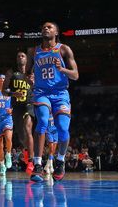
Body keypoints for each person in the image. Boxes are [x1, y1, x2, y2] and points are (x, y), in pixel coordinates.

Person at [28, 21, 79, 182]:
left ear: (56, 32)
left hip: (60, 93)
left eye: (49, 27)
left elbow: (75, 75)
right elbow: (27, 74)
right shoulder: (33, 51)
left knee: (63, 129)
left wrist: (62, 69)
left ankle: (60, 160)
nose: (45, 28)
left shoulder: (63, 49)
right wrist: (29, 79)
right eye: (43, 27)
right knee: (42, 120)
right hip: (42, 92)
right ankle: (37, 164)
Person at [4, 50, 35, 174]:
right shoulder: (11, 73)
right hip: (17, 106)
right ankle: (27, 151)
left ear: (27, 59)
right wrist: (13, 93)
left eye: (23, 56)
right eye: (19, 56)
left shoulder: (32, 73)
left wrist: (34, 83)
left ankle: (33, 162)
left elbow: (39, 87)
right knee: (22, 137)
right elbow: (3, 90)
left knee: (28, 129)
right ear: (17, 59)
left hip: (29, 104)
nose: (21, 57)